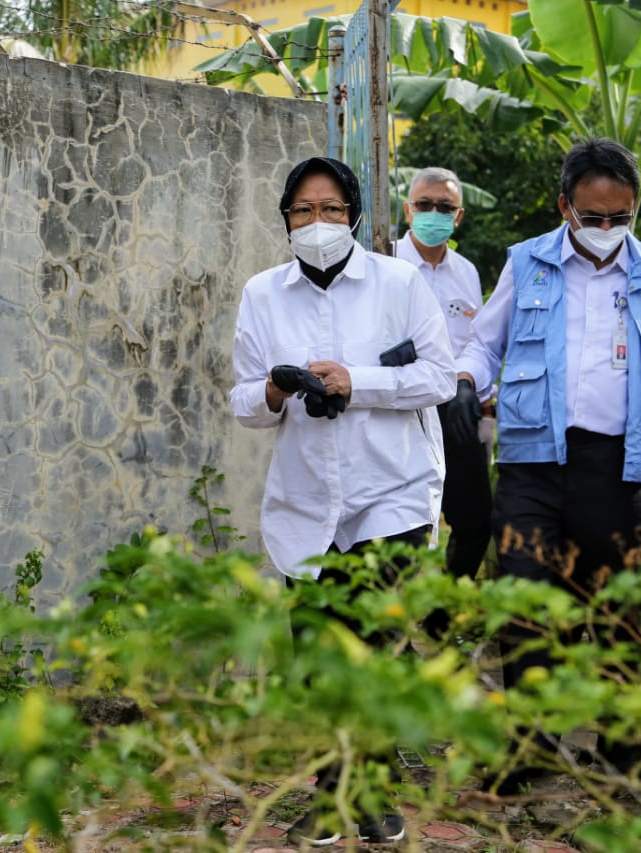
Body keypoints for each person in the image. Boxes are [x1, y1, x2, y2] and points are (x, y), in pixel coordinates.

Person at [452, 138, 641, 785]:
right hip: (533, 462)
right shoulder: (529, 263)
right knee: (522, 596)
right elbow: (487, 343)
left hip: (615, 464)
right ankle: (533, 749)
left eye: (618, 218)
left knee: (620, 606)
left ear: (633, 210)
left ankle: (624, 750)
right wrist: (464, 380)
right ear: (565, 205)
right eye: (592, 216)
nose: (605, 230)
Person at [230, 156, 455, 846]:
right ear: (286, 219)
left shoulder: (399, 282)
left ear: (353, 216)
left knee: (377, 647)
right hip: (307, 501)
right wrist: (275, 389)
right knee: (321, 656)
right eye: (303, 210)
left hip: (391, 490)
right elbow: (244, 399)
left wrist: (354, 380)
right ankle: (333, 794)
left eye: (331, 209)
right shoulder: (264, 295)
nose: (317, 222)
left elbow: (439, 376)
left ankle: (372, 792)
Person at [394, 167, 493, 631]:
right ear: (408, 209)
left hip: (453, 408)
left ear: (459, 217)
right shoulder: (385, 261)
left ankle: (439, 616)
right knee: (405, 523)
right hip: (399, 410)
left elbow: (477, 341)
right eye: (425, 205)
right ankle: (394, 626)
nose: (434, 213)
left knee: (475, 520)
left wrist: (467, 385)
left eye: (445, 208)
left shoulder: (466, 272)